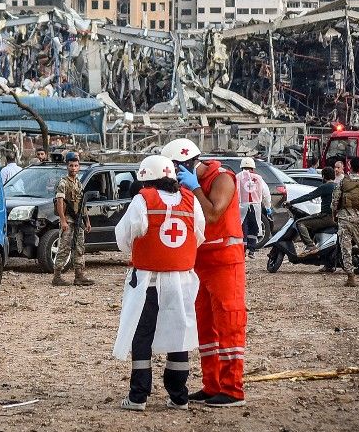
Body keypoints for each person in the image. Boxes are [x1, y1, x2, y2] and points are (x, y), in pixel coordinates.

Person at [113, 155, 205, 411]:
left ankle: (138, 396)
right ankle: (179, 396)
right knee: (180, 336)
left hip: (148, 281)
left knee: (142, 335)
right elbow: (198, 235)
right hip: (182, 281)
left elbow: (123, 238)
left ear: (147, 179)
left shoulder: (142, 200)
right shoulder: (191, 201)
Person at [162, 138, 247, 408]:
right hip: (200, 262)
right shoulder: (186, 186)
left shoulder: (223, 179)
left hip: (225, 261)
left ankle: (233, 389)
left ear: (185, 164)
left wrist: (196, 188)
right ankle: (212, 386)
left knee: (229, 322)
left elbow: (213, 214)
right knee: (205, 327)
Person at [332, 156, 359, 287]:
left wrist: (334, 215)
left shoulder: (342, 182)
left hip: (344, 219)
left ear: (349, 167)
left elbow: (335, 201)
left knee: (346, 249)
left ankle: (351, 277)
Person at [52, 151, 94, 287]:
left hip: (78, 220)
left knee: (79, 248)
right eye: (71, 166)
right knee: (64, 248)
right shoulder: (63, 183)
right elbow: (59, 202)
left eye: (76, 166)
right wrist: (63, 220)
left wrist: (87, 221)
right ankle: (57, 276)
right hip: (69, 220)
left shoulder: (78, 183)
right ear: (67, 166)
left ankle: (79, 276)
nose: (74, 168)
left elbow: (82, 203)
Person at [287, 167, 337, 258]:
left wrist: (291, 202)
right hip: (336, 218)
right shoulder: (337, 186)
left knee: (300, 223)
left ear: (323, 177)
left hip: (327, 218)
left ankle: (310, 246)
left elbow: (309, 196)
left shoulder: (325, 187)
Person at [235, 157, 271, 258]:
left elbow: (235, 191)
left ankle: (243, 251)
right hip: (255, 207)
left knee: (243, 227)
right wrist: (268, 207)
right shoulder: (259, 178)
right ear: (253, 168)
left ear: (241, 167)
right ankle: (252, 250)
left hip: (242, 206)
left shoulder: (238, 177)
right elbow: (266, 193)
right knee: (254, 227)